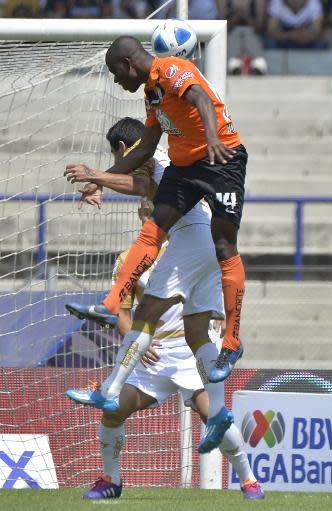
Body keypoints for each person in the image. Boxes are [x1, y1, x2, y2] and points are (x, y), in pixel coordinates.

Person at [64, 36, 247, 385]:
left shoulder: (172, 69)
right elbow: (145, 147)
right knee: (153, 229)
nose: (117, 82)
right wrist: (101, 179)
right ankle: (112, 303)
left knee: (225, 246)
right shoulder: (152, 93)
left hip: (222, 160)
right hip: (185, 167)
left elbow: (200, 97)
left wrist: (210, 137)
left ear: (128, 64)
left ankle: (233, 342)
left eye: (115, 73)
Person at [66, 200, 264, 501]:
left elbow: (218, 284)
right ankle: (111, 479)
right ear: (141, 215)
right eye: (147, 212)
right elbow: (123, 312)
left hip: (188, 352)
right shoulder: (130, 258)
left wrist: (222, 317)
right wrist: (138, 344)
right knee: (115, 409)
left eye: (157, 210)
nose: (153, 216)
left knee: (213, 415)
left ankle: (249, 480)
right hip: (151, 357)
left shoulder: (192, 251)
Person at [65, 117, 240, 454]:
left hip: (188, 240)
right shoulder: (159, 154)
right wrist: (100, 182)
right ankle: (219, 414)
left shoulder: (144, 155)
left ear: (121, 147)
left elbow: (139, 186)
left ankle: (109, 386)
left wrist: (94, 175)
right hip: (210, 242)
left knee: (145, 312)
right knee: (197, 331)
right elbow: (139, 180)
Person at [218, 0, 268, 75]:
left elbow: (259, 28)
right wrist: (237, 17)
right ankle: (235, 66)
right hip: (231, 33)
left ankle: (256, 65)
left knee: (249, 36)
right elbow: (221, 26)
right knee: (235, 36)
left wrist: (246, 17)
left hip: (251, 33)